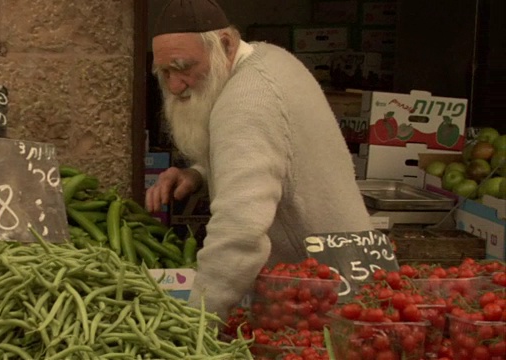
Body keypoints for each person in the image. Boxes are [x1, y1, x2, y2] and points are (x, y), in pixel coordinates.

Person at [146, 0, 374, 322]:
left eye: (183, 67)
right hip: (350, 270)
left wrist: (193, 323)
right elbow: (271, 154)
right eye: (164, 72)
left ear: (225, 44)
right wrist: (199, 173)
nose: (174, 86)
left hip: (321, 294)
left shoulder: (246, 102)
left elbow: (239, 232)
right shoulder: (271, 58)